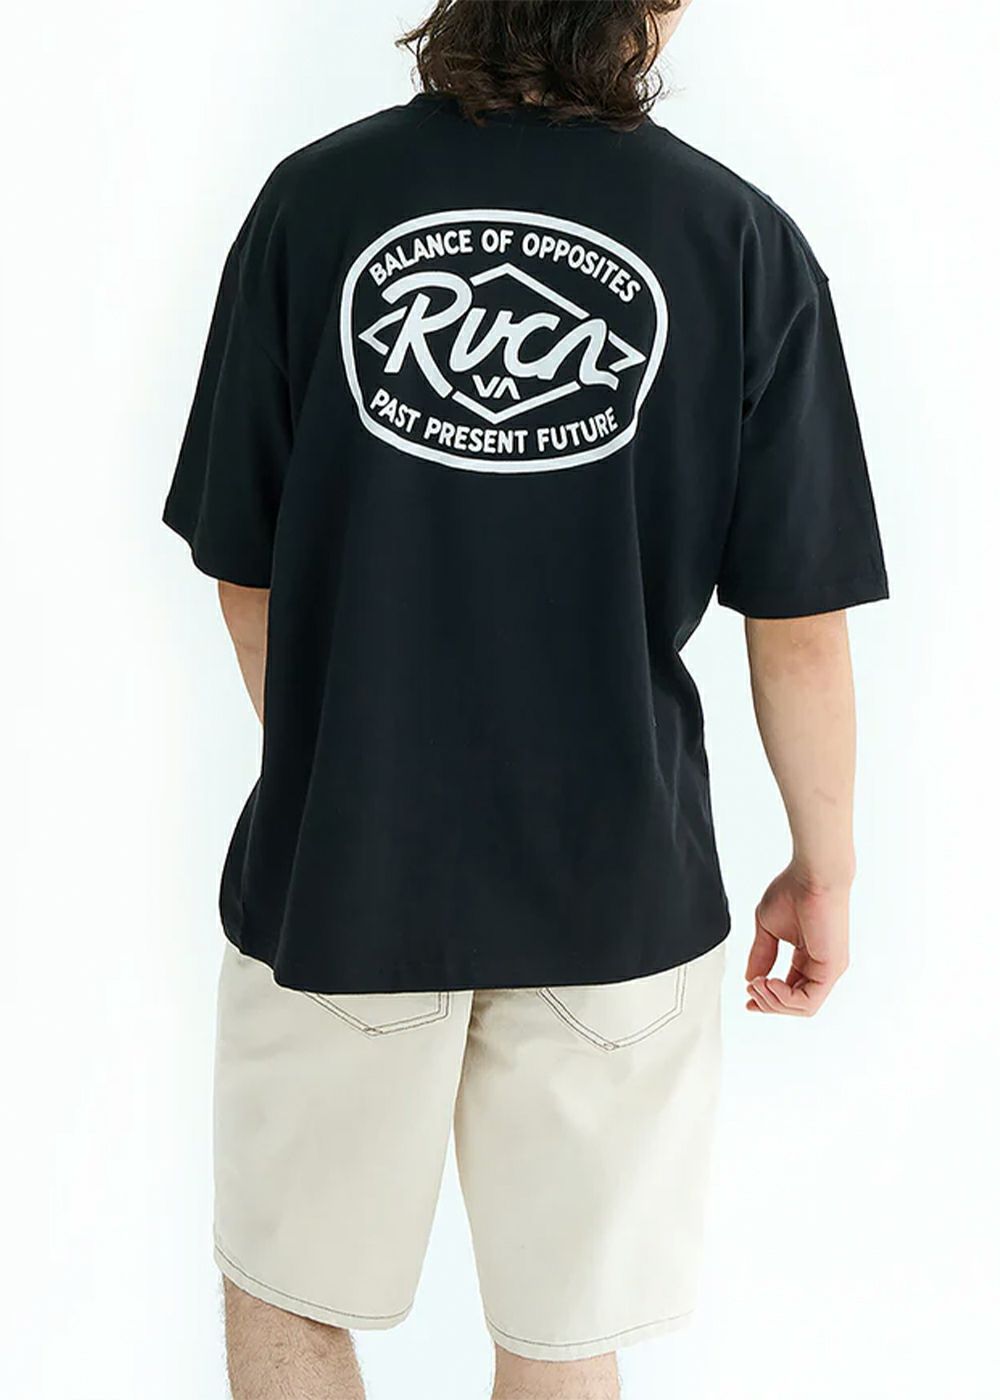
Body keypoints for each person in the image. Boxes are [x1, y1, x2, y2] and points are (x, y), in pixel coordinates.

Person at [163, 2, 888, 1396]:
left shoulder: (316, 203)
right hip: (614, 885)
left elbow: (242, 565)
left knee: (290, 1291)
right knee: (562, 1335)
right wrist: (826, 871)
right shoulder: (737, 239)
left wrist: (344, 760)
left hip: (343, 877)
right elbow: (799, 623)